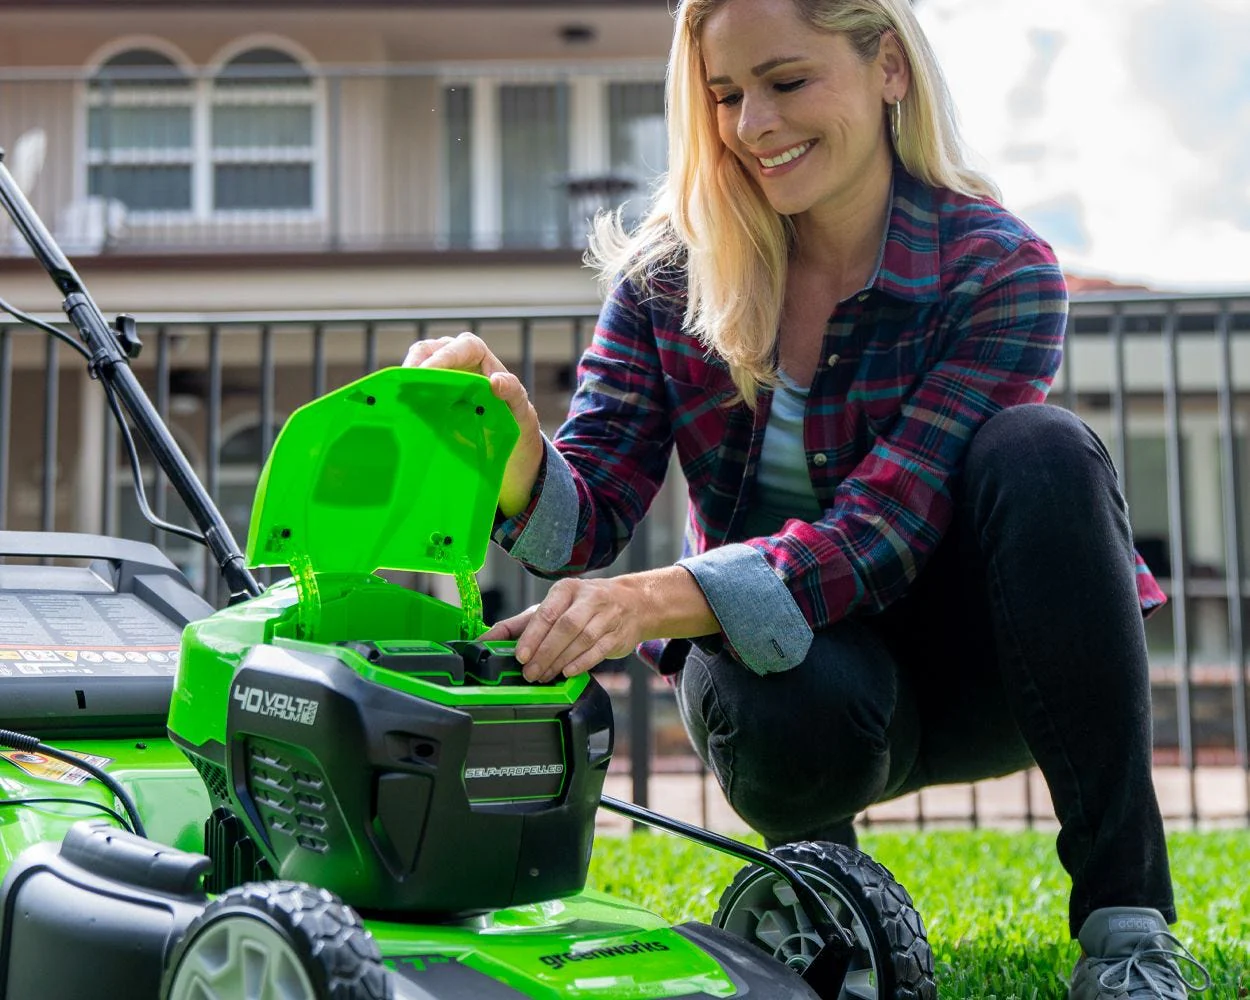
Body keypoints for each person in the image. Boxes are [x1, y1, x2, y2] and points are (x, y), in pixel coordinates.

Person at [404, 0, 1212, 995]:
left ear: (887, 70)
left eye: (785, 83)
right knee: (753, 667)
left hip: (990, 673)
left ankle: (1127, 929)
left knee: (1041, 447)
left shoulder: (997, 269)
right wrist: (515, 448)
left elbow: (882, 527)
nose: (753, 129)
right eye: (725, 97)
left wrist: (654, 599)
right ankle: (828, 908)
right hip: (801, 691)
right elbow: (585, 518)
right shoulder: (667, 279)